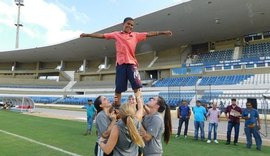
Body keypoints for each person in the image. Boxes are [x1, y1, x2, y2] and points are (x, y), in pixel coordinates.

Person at [80, 17, 172, 108]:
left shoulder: (135, 35)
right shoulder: (116, 34)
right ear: (123, 24)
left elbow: (149, 34)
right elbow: (103, 35)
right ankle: (117, 105)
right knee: (118, 90)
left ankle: (140, 106)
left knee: (137, 87)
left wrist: (163, 32)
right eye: (128, 24)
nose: (130, 26)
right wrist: (88, 35)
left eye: (132, 25)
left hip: (132, 64)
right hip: (120, 65)